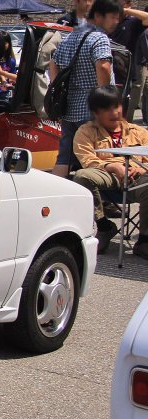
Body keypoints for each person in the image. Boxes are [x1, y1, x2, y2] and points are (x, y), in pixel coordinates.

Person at [72, 85, 148, 258]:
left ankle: (144, 240)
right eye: (107, 108)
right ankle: (104, 226)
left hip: (137, 178)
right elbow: (87, 161)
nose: (114, 112)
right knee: (81, 176)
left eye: (117, 106)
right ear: (96, 112)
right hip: (106, 176)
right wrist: (112, 167)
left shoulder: (139, 132)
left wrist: (139, 167)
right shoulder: (85, 132)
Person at [50, 0, 120, 178]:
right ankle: (98, 199)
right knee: (97, 155)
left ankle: (60, 194)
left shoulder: (71, 37)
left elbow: (53, 64)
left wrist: (58, 90)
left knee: (64, 156)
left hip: (69, 109)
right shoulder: (99, 37)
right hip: (92, 109)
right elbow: (103, 66)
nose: (115, 22)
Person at [0, 34, 18, 100]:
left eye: (4, 43)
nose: (1, 45)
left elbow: (14, 77)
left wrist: (9, 80)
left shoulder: (11, 61)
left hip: (5, 92)